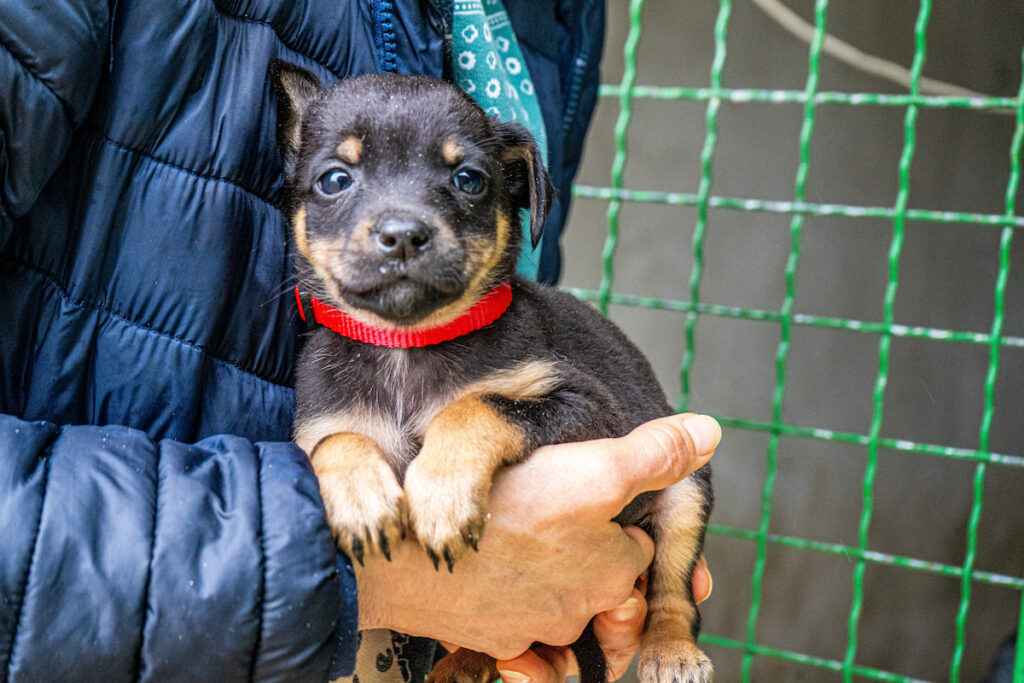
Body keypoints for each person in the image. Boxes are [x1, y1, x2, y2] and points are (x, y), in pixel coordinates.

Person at [0, 1, 718, 681]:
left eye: (464, 181)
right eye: (339, 180)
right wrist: (375, 568)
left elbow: (578, 441)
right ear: (296, 186)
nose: (400, 224)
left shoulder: (553, 17)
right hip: (159, 622)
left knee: (682, 487)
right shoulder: (324, 378)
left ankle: (668, 613)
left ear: (518, 198)